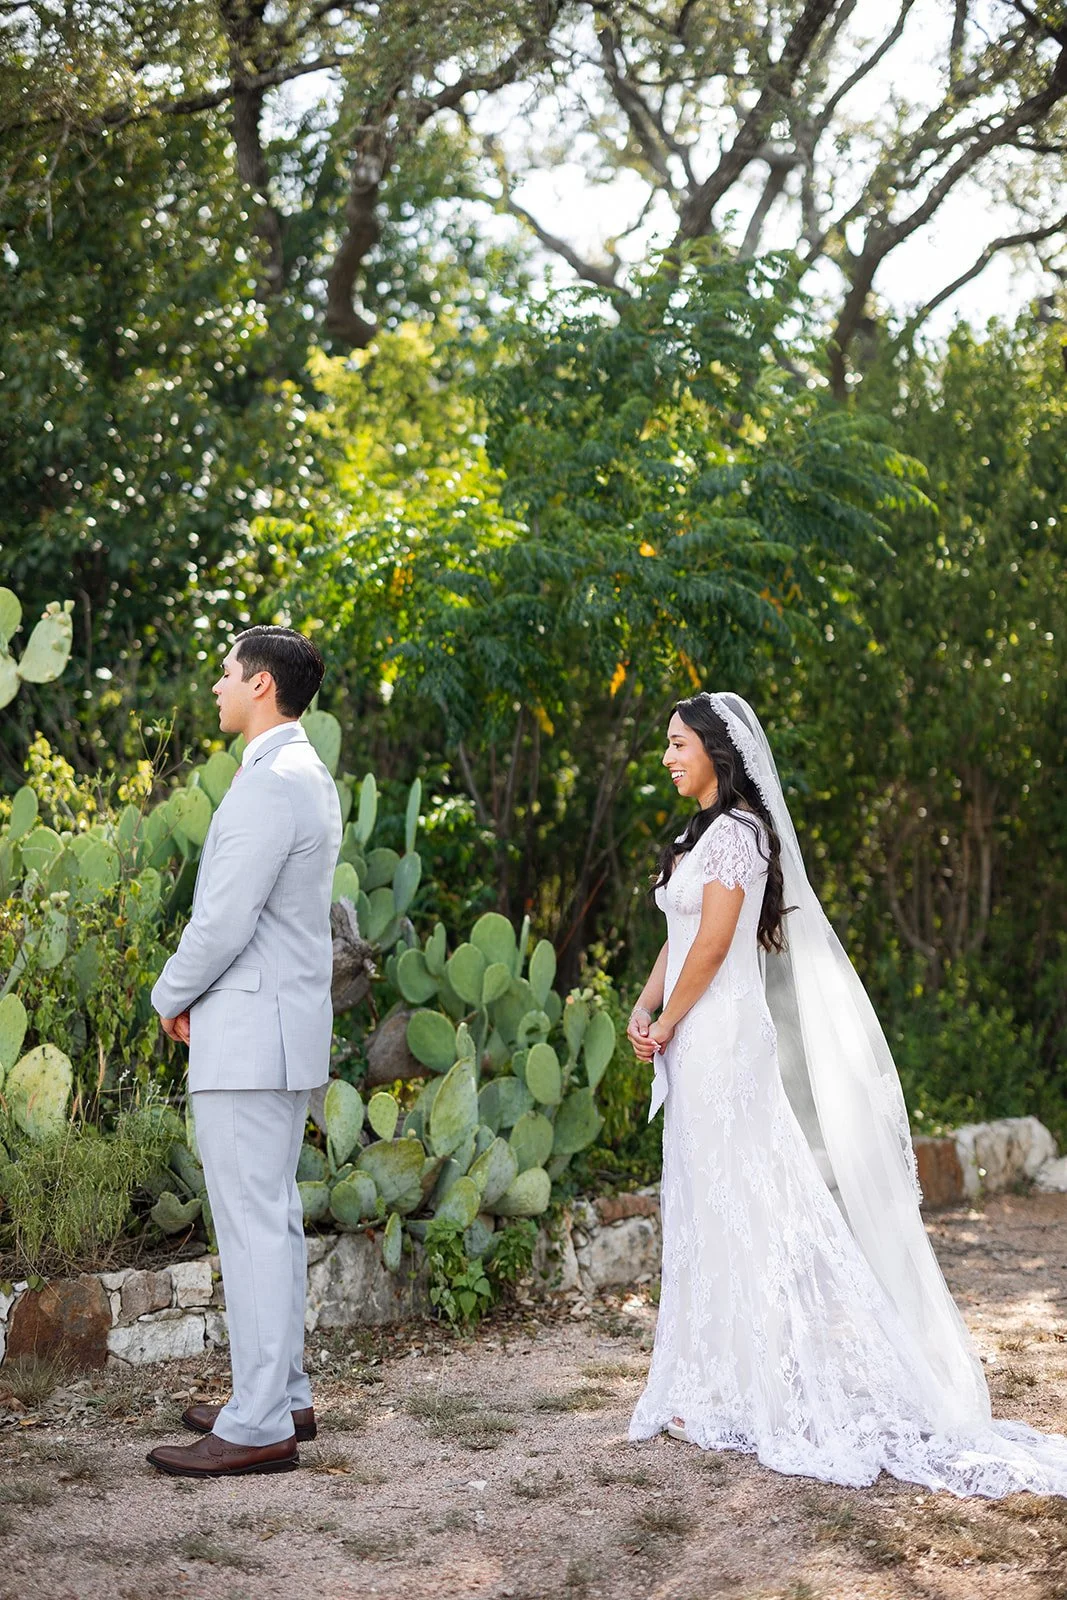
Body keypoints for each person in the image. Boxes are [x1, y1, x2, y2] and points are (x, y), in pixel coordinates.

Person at [627, 690, 1067, 1496]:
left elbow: (716, 946)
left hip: (722, 1040)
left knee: (739, 1200)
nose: (667, 758)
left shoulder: (741, 835)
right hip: (691, 1038)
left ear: (716, 752)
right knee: (703, 1198)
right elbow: (678, 938)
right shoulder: (697, 836)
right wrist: (644, 1005)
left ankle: (760, 1385)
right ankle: (713, 1381)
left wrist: (668, 1021)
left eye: (677, 744)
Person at [146, 626, 342, 1479]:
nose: (217, 686)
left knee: (253, 1226)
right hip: (278, 1030)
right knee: (275, 1221)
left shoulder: (271, 782)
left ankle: (258, 1422)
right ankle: (283, 1395)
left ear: (262, 684)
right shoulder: (305, 772)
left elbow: (223, 920)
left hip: (250, 1034)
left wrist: (168, 994)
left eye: (226, 673)